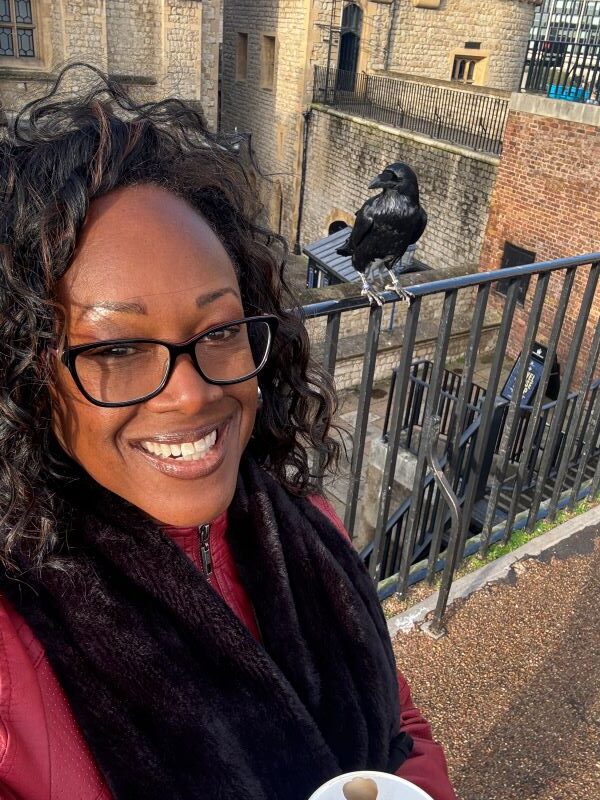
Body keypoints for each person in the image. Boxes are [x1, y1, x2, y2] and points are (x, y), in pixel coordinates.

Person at [0, 67, 456, 800]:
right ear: (25, 375)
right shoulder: (13, 654)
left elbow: (399, 723)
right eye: (115, 349)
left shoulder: (309, 525)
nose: (191, 392)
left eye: (220, 331)